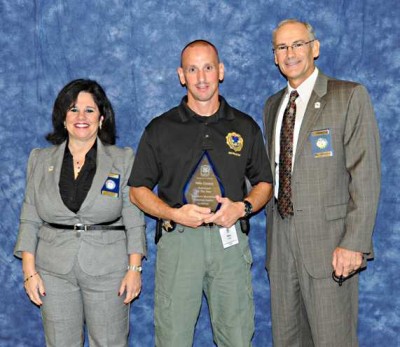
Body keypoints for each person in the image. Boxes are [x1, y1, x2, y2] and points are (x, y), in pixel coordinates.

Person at [129, 39, 273, 347]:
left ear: (221, 71)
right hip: (179, 243)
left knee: (237, 336)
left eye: (208, 67)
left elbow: (264, 184)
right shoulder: (160, 128)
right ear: (181, 75)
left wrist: (242, 208)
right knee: (173, 338)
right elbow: (137, 190)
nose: (202, 77)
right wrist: (172, 213)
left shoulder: (244, 126)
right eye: (192, 69)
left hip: (229, 241)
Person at [263, 19, 381, 346]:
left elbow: (365, 175)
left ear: (315, 48)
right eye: (282, 47)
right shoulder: (273, 106)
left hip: (331, 246)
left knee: (333, 340)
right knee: (286, 340)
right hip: (281, 245)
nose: (290, 53)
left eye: (298, 44)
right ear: (274, 57)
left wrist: (354, 242)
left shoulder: (349, 97)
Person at [14, 79, 146, 347]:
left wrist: (134, 269)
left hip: (109, 271)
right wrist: (29, 271)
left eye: (89, 110)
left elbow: (134, 218)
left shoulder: (122, 159)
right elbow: (29, 218)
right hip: (52, 271)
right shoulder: (39, 159)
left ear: (101, 118)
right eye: (73, 109)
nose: (81, 117)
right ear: (63, 118)